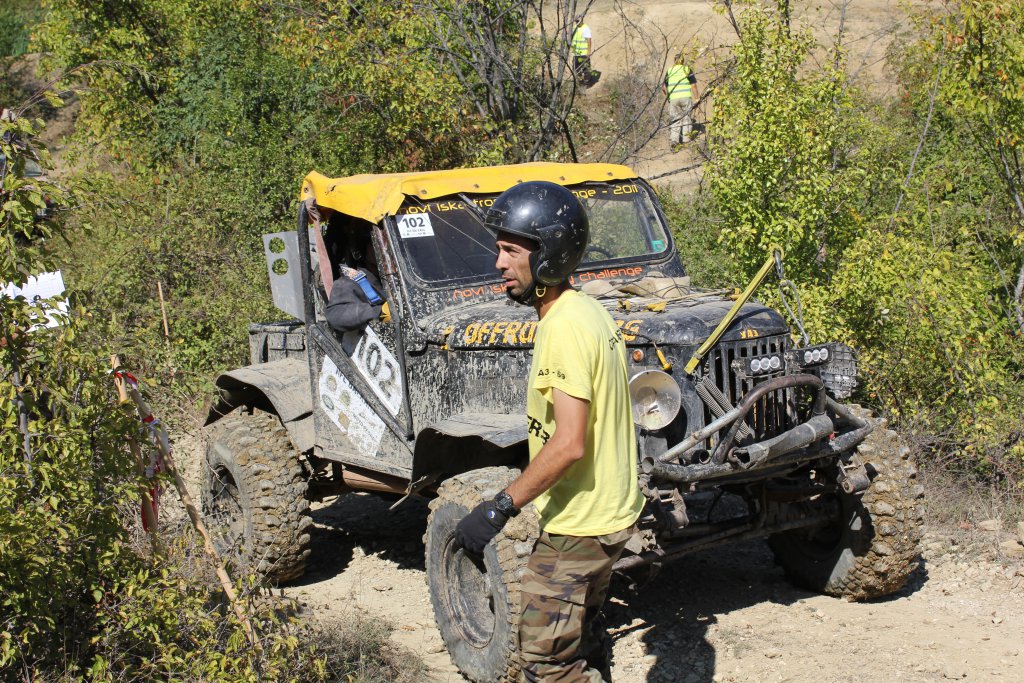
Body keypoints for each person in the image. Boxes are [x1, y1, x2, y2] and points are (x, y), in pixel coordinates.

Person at [455, 181, 645, 681]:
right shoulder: (586, 309)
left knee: (544, 659)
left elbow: (568, 443)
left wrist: (499, 507)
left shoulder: (563, 327)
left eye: (511, 251)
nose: (498, 263)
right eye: (499, 249)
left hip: (581, 524)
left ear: (549, 254)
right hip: (607, 511)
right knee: (581, 636)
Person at [324, 222, 389, 333]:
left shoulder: (402, 280)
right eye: (380, 243)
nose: (386, 250)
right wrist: (379, 311)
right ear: (361, 249)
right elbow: (335, 315)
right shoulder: (349, 283)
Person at [663, 53, 699, 149]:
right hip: (685, 98)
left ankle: (674, 141)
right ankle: (686, 141)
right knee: (687, 118)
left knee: (675, 120)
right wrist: (697, 98)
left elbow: (663, 87)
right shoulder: (686, 69)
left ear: (674, 60)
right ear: (683, 60)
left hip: (673, 99)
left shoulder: (670, 71)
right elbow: (693, 85)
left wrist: (669, 97)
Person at [572, 15, 594, 85]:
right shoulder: (575, 27)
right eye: (576, 21)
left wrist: (589, 51)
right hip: (576, 53)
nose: (576, 22)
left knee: (586, 69)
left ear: (581, 20)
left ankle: (587, 82)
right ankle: (578, 82)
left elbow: (589, 40)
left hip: (584, 53)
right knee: (576, 69)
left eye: (577, 21)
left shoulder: (585, 28)